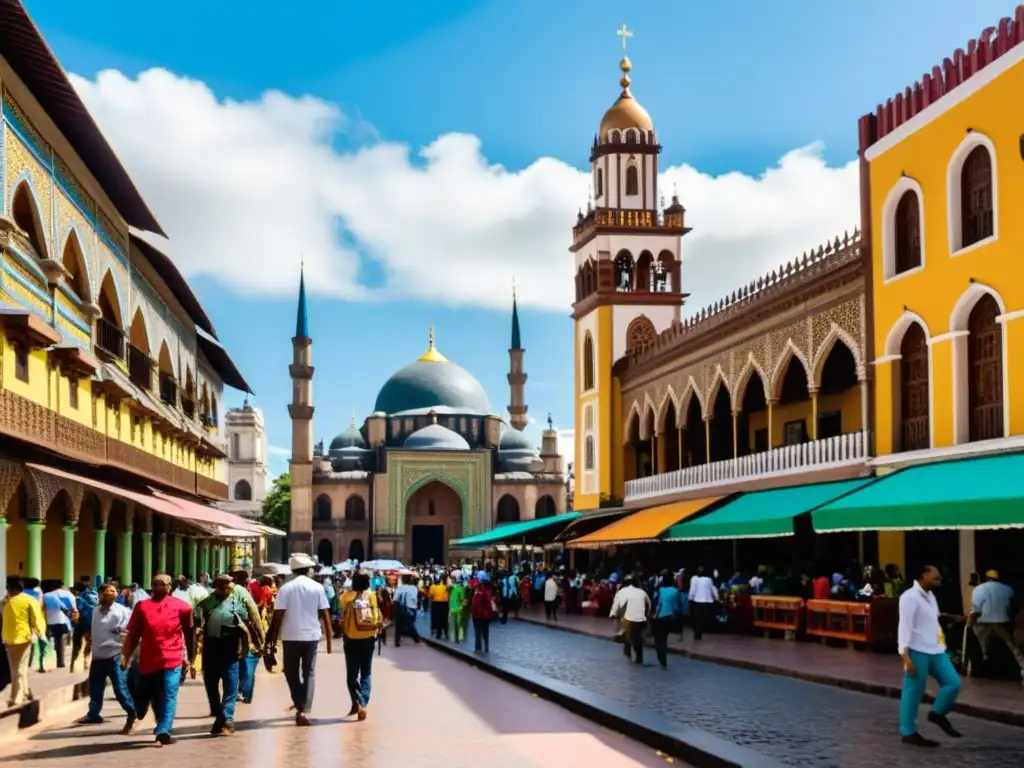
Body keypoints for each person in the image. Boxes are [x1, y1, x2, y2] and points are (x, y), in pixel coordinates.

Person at [120, 574, 195, 746]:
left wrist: (191, 657)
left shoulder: (182, 607)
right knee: (148, 693)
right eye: (155, 584)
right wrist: (125, 656)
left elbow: (190, 633)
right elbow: (133, 634)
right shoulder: (142, 607)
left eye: (162, 584)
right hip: (148, 659)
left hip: (172, 658)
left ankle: (164, 730)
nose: (158, 587)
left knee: (169, 693)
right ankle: (143, 710)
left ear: (170, 587)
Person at [898, 564, 962, 747]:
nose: (939, 579)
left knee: (953, 683)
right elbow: (904, 627)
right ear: (923, 575)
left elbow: (933, 618)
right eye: (935, 576)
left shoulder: (931, 596)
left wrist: (951, 618)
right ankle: (908, 732)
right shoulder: (909, 598)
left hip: (936, 650)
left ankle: (937, 713)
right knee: (913, 692)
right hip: (917, 651)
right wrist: (905, 656)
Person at [266, 554, 332, 726]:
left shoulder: (285, 589)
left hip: (290, 636)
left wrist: (273, 639)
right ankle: (304, 709)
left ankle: (299, 704)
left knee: (290, 672)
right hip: (311, 636)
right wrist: (330, 638)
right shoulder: (317, 587)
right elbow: (325, 613)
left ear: (293, 570)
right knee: (309, 672)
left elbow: (278, 615)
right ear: (308, 570)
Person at [196, 574, 265, 735]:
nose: (228, 588)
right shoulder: (207, 602)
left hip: (231, 648)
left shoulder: (237, 600)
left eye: (229, 585)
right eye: (225, 586)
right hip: (211, 647)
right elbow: (196, 616)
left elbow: (250, 617)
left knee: (231, 683)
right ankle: (220, 714)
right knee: (211, 683)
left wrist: (259, 638)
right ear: (218, 587)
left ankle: (227, 718)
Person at [77, 583, 135, 731]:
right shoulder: (95, 611)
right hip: (98, 656)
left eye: (114, 591)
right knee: (95, 688)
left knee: (120, 688)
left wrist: (126, 654)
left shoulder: (122, 611)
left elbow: (128, 631)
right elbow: (93, 628)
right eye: (109, 591)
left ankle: (132, 711)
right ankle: (93, 714)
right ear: (101, 594)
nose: (112, 593)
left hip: (114, 655)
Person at [968, 569, 1024, 684]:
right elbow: (1013, 606)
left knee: (981, 644)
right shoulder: (1008, 589)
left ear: (986, 578)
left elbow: (976, 609)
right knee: (1012, 646)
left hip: (982, 621)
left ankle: (980, 666)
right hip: (1002, 621)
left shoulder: (979, 589)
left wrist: (970, 623)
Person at [340, 572, 381, 720]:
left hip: (351, 638)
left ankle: (356, 700)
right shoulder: (372, 595)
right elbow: (376, 613)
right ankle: (363, 703)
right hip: (369, 637)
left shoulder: (346, 597)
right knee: (366, 672)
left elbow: (341, 612)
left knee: (352, 674)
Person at [3, 576, 46, 708]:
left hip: (8, 638)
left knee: (15, 668)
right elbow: (36, 619)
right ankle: (18, 697)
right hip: (24, 638)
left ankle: (24, 692)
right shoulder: (30, 600)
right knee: (20, 668)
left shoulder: (4, 602)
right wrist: (41, 635)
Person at [229, 569, 265, 705]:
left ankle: (233, 693)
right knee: (248, 662)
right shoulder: (241, 591)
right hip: (243, 632)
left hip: (225, 634)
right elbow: (254, 613)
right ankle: (244, 694)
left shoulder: (218, 592)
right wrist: (261, 636)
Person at [610, 575, 650, 664]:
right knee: (635, 636)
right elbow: (648, 605)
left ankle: (632, 654)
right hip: (640, 618)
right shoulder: (641, 592)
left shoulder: (622, 592)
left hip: (630, 619)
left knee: (632, 637)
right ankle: (636, 655)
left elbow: (617, 607)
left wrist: (614, 614)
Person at [653, 569, 684, 670]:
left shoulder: (660, 590)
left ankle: (662, 659)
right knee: (664, 637)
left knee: (659, 639)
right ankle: (663, 655)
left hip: (660, 617)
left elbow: (657, 603)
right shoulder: (676, 591)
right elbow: (677, 607)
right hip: (671, 617)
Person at [42, 581, 76, 669]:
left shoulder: (47, 595)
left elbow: (43, 608)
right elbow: (73, 608)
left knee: (45, 641)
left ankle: (44, 663)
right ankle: (60, 662)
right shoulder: (69, 594)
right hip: (64, 621)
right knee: (60, 641)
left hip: (48, 621)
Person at [71, 578, 99, 672]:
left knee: (78, 644)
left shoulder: (78, 598)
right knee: (89, 642)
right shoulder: (93, 594)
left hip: (82, 622)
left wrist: (74, 623)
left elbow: (77, 611)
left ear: (76, 591)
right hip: (92, 622)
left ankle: (74, 665)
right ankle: (87, 662)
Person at [688, 565, 719, 641]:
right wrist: (716, 597)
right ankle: (703, 630)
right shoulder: (709, 579)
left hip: (697, 601)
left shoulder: (695, 579)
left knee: (697, 618)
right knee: (705, 617)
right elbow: (713, 589)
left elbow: (693, 590)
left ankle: (698, 633)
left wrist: (690, 598)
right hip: (707, 601)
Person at [469, 575, 495, 653]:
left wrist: (472, 611)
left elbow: (474, 603)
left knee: (478, 631)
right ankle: (486, 647)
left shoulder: (478, 591)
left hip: (477, 614)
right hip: (485, 615)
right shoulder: (489, 591)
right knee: (485, 631)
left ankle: (478, 648)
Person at [392, 574, 420, 647]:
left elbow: (395, 599)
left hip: (401, 608)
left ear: (403, 580)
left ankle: (397, 640)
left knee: (399, 625)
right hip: (412, 608)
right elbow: (415, 597)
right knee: (410, 623)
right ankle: (415, 637)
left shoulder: (400, 588)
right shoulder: (414, 588)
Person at [448, 572, 467, 643]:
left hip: (452, 608)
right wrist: (464, 606)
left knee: (451, 624)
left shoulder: (452, 588)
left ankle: (452, 638)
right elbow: (463, 600)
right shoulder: (461, 589)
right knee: (459, 625)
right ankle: (459, 638)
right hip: (459, 609)